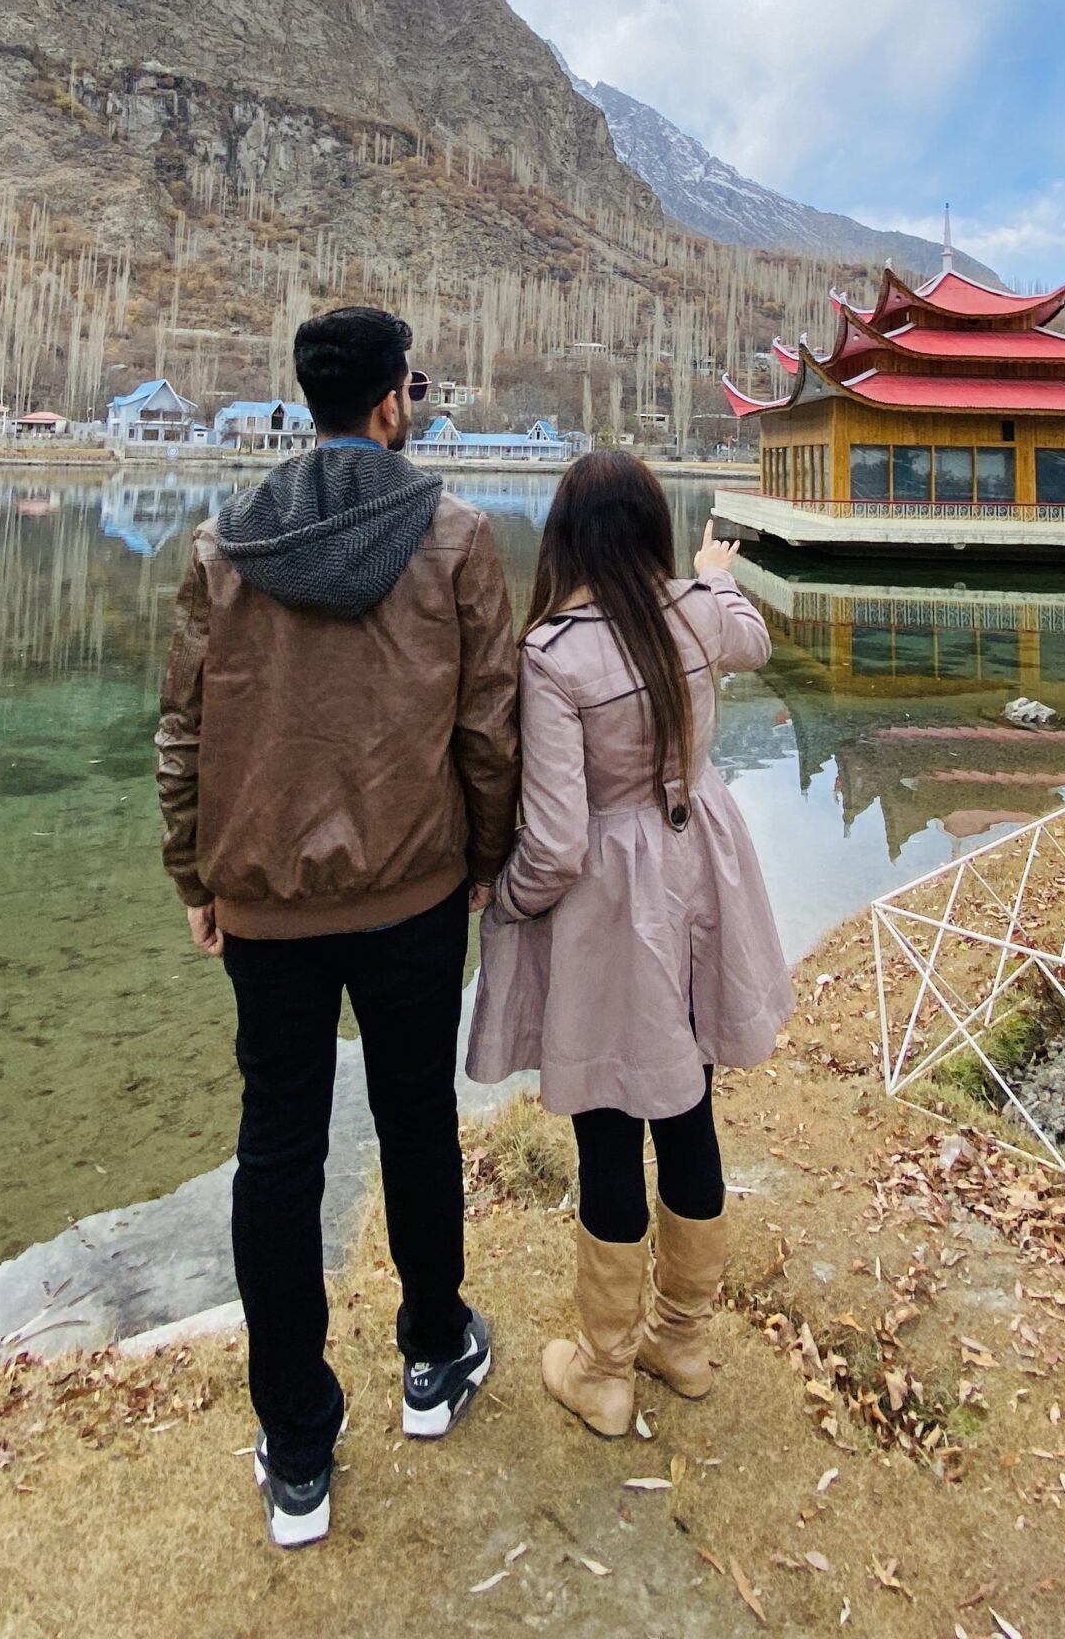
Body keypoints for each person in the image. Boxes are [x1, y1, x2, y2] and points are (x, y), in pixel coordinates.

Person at [155, 306, 520, 1547]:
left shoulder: (224, 545)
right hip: (414, 893)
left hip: (264, 908)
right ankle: (433, 1355)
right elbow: (489, 727)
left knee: (277, 1151)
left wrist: (194, 875)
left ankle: (299, 1449)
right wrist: (485, 856)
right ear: (390, 402)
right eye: (411, 385)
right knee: (416, 1120)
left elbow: (183, 727)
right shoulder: (457, 536)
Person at [466, 454, 793, 1436]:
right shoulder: (691, 612)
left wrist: (505, 901)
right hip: (703, 879)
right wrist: (714, 574)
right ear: (651, 528)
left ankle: (605, 1369)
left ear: (564, 535)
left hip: (615, 908)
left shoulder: (553, 654)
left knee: (608, 1123)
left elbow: (557, 842)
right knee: (690, 1108)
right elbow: (753, 640)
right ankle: (680, 1342)